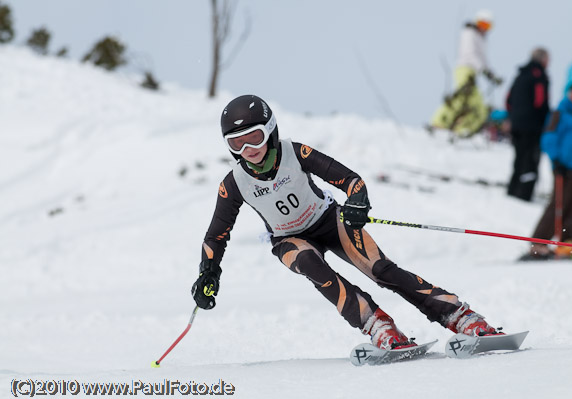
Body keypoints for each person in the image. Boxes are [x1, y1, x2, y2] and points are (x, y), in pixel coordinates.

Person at [191, 94, 502, 351]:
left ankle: (461, 316)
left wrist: (357, 203)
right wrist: (209, 272)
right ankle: (377, 325)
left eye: (254, 138)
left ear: (270, 130)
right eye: (237, 144)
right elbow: (216, 236)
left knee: (381, 270)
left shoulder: (295, 152)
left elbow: (351, 180)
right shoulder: (234, 183)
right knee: (316, 269)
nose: (249, 150)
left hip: (330, 221)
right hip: (289, 240)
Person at [525, 81, 572, 260]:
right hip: (563, 166)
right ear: (569, 93)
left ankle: (568, 241)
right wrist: (556, 160)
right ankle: (539, 242)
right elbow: (549, 137)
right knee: (559, 202)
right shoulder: (561, 112)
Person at [429, 9, 503, 137]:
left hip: (473, 72)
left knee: (476, 103)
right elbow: (470, 55)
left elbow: (483, 60)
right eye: (482, 24)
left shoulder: (481, 39)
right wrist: (485, 71)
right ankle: (439, 122)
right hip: (464, 69)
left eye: (487, 26)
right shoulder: (469, 33)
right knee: (462, 97)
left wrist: (491, 74)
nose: (484, 28)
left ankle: (462, 128)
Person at [506, 48, 550, 202]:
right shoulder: (539, 76)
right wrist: (546, 121)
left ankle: (512, 190)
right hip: (532, 126)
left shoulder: (520, 74)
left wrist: (511, 118)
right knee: (530, 160)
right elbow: (540, 102)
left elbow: (508, 99)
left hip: (516, 124)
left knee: (518, 158)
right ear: (543, 59)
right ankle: (523, 195)